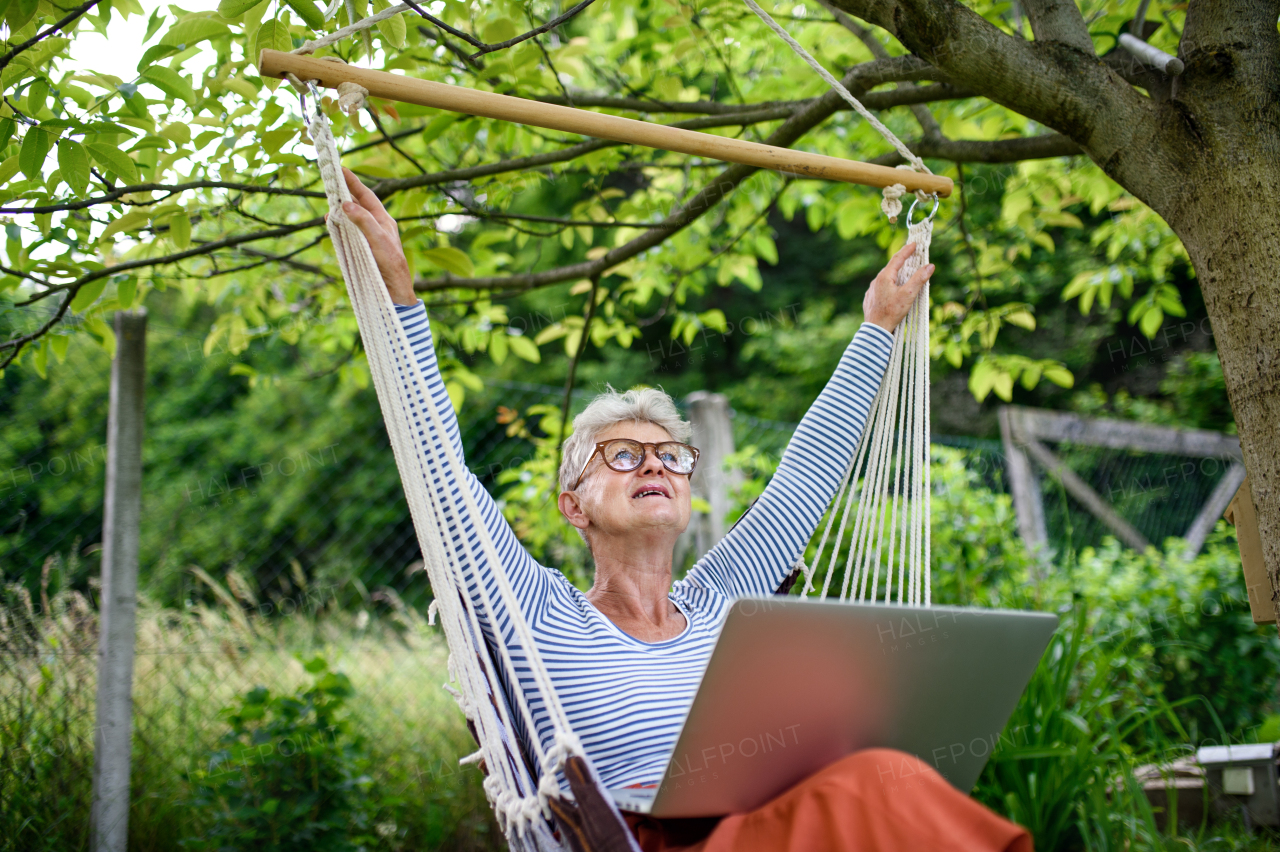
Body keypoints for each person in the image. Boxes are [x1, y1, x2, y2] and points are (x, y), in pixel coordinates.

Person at [337, 168, 1032, 851]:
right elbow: (440, 479)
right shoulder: (538, 612)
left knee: (885, 778)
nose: (653, 466)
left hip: (764, 828)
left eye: (670, 456)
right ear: (572, 506)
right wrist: (399, 299)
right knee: (879, 787)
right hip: (640, 839)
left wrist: (876, 325)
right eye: (623, 455)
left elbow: (806, 478)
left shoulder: (726, 604)